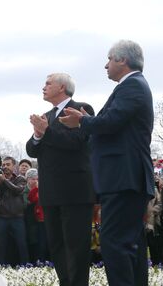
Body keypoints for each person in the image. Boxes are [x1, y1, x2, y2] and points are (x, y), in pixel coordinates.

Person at [60, 40, 154, 286]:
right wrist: (89, 122)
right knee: (128, 243)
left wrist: (83, 121)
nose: (106, 65)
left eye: (109, 59)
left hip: (124, 178)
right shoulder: (132, 86)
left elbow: (112, 122)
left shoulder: (132, 85)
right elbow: (112, 127)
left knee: (114, 243)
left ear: (122, 60)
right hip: (125, 178)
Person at [26, 72, 95, 286]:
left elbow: (77, 141)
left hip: (75, 191)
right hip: (51, 192)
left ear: (62, 87)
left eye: (48, 83)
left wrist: (46, 131)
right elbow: (31, 150)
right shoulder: (46, 115)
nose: (44, 87)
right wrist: (38, 134)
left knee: (76, 245)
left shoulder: (81, 108)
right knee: (56, 245)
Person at [0, 156, 28, 266]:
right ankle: (0, 268)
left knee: (21, 244)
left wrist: (4, 180)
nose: (5, 167)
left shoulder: (20, 179)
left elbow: (17, 190)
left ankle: (26, 267)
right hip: (2, 217)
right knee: (1, 245)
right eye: (4, 165)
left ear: (14, 166)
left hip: (17, 217)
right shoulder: (0, 180)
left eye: (8, 164)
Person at [23, 169, 49, 263]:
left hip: (41, 219)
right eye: (33, 179)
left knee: (43, 242)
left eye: (37, 179)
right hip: (30, 221)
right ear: (28, 179)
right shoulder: (24, 190)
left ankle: (43, 261)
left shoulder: (43, 188)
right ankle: (34, 261)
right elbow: (28, 202)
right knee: (33, 242)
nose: (35, 181)